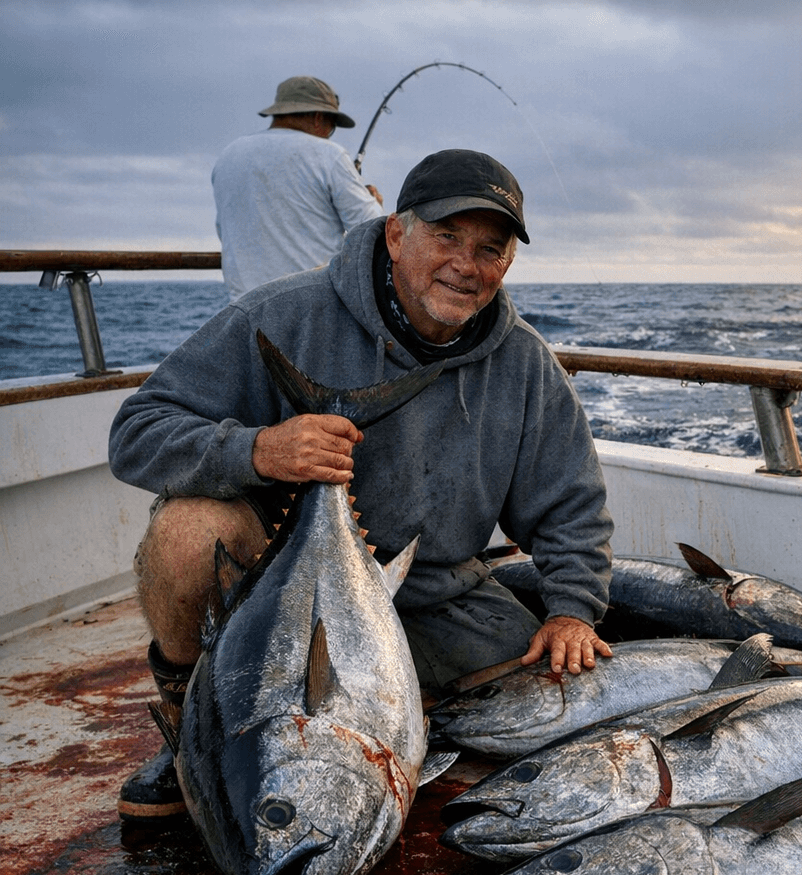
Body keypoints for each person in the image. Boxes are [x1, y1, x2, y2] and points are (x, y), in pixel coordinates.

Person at [110, 148, 614, 826]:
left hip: (433, 590)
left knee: (547, 706)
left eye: (490, 249)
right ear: (395, 234)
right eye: (446, 237)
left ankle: (388, 706)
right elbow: (136, 430)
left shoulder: (521, 360)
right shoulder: (281, 316)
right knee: (187, 534)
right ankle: (186, 725)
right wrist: (257, 450)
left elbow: (569, 503)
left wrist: (572, 609)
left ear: (509, 263)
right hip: (276, 596)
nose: (467, 265)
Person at [212, 76, 385, 301]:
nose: (330, 133)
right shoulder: (329, 155)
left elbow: (224, 230)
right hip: (311, 309)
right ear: (317, 117)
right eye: (332, 125)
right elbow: (371, 232)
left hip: (243, 312)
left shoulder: (228, 155)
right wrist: (374, 203)